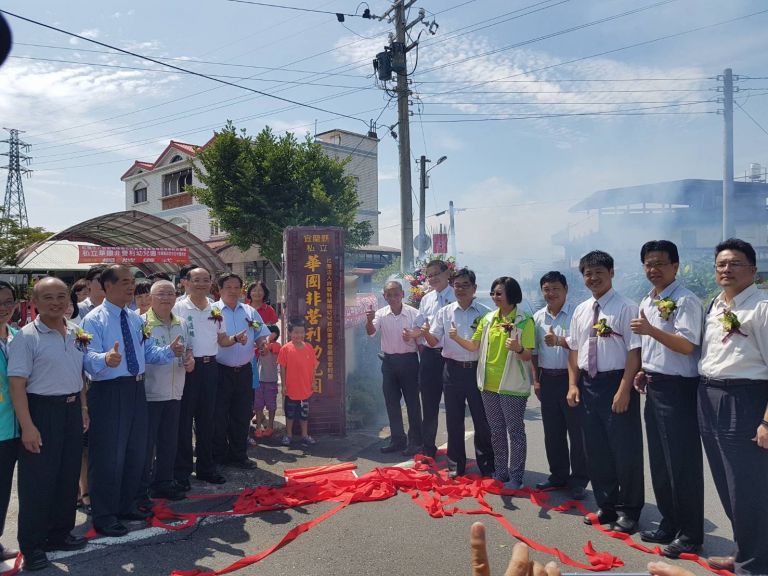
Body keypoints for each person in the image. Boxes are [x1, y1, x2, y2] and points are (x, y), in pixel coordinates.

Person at [82, 265, 184, 538]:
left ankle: (126, 505)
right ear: (108, 286)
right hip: (109, 391)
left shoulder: (136, 319)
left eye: (132, 281)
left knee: (134, 451)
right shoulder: (94, 319)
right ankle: (104, 515)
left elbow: (147, 352)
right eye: (125, 282)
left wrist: (169, 351)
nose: (131, 286)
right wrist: (105, 359)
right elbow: (86, 357)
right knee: (108, 456)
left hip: (137, 389)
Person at [8, 278, 89, 571]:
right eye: (48, 297)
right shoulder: (26, 337)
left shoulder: (76, 332)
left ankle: (60, 533)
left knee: (67, 476)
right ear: (35, 303)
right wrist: (28, 426)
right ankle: (32, 545)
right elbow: (17, 384)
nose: (56, 302)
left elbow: (79, 374)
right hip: (42, 411)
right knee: (38, 482)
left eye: (61, 296)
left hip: (71, 410)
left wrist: (83, 407)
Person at [629, 241, 704, 558]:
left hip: (679, 390)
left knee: (682, 463)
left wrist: (650, 330)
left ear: (675, 266)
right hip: (655, 385)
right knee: (660, 462)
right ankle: (669, 522)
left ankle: (690, 534)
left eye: (660, 263)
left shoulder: (686, 300)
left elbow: (686, 346)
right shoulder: (648, 300)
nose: (653, 269)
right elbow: (655, 347)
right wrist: (645, 370)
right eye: (648, 263)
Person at [698, 238, 768, 575]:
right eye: (721, 264)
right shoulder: (715, 305)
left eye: (735, 263)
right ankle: (744, 550)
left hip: (745, 399)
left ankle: (754, 564)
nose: (726, 269)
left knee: (747, 486)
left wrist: (766, 421)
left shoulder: (762, 308)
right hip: (709, 395)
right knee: (726, 483)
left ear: (753, 270)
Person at [566, 250, 644, 534]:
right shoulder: (581, 310)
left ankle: (630, 510)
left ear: (611, 273)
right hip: (589, 385)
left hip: (616, 383)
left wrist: (624, 389)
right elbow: (574, 349)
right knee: (596, 450)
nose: (593, 278)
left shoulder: (627, 307)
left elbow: (634, 352)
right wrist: (573, 384)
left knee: (625, 451)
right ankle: (606, 505)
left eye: (599, 272)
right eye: (588, 273)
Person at [451, 276, 534, 490]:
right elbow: (474, 346)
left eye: (499, 293)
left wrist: (518, 348)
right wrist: (456, 337)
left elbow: (528, 355)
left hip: (512, 385)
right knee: (496, 431)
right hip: (488, 384)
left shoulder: (524, 320)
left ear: (511, 295)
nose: (495, 297)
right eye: (493, 293)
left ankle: (516, 477)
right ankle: (501, 472)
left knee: (515, 432)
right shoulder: (488, 319)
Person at [422, 268, 493, 477]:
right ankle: (455, 465)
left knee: (481, 420)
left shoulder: (485, 314)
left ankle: (487, 465)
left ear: (474, 288)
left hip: (476, 371)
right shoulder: (445, 312)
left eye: (465, 285)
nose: (460, 289)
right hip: (451, 370)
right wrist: (425, 333)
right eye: (457, 286)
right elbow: (434, 341)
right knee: (454, 420)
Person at [531, 271, 588, 500]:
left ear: (566, 290)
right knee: (552, 432)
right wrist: (536, 380)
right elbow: (534, 352)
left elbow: (582, 347)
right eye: (546, 289)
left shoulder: (577, 315)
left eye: (556, 288)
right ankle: (558, 475)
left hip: (572, 379)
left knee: (577, 432)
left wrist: (559, 341)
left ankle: (579, 480)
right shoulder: (537, 318)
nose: (551, 293)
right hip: (548, 379)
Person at [172, 267, 228, 488]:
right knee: (184, 421)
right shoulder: (178, 307)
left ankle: (206, 468)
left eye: (206, 280)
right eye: (197, 280)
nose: (202, 284)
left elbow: (222, 339)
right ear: (186, 282)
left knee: (207, 420)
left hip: (210, 367)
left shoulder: (215, 308)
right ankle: (183, 472)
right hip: (186, 367)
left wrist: (237, 339)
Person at [140, 280, 194, 503]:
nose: (166, 298)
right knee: (146, 444)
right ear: (150, 297)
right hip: (150, 392)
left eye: (170, 294)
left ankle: (164, 482)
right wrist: (168, 351)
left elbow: (189, 350)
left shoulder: (181, 322)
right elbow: (143, 355)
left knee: (169, 441)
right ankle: (142, 487)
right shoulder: (142, 323)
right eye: (161, 294)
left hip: (175, 391)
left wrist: (190, 361)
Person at [213, 272, 270, 469]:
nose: (233, 291)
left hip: (244, 371)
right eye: (228, 287)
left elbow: (260, 333)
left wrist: (262, 344)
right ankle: (219, 455)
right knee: (219, 415)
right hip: (219, 371)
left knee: (242, 414)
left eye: (236, 287)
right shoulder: (212, 311)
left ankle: (239, 455)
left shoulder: (249, 311)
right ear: (219, 289)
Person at [366, 281, 423, 454]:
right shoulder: (380, 314)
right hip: (389, 362)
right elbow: (371, 332)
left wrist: (413, 336)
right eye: (389, 295)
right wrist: (368, 320)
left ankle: (416, 442)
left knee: (413, 403)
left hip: (409, 361)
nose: (393, 298)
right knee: (391, 402)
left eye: (396, 294)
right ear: (384, 296)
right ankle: (397, 440)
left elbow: (421, 338)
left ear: (402, 294)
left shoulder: (414, 313)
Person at [414, 259, 455, 458]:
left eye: (436, 274)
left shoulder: (457, 296)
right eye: (429, 275)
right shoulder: (426, 299)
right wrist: (412, 334)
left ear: (447, 273)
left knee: (453, 406)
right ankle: (428, 448)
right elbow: (419, 325)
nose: (432, 279)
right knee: (429, 404)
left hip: (451, 356)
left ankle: (455, 451)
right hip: (430, 356)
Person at [277, 318, 319, 446]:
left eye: (301, 332)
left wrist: (313, 382)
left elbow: (313, 367)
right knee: (289, 414)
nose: (299, 335)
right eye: (296, 332)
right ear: (290, 333)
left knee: (304, 415)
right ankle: (288, 435)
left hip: (305, 389)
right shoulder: (285, 349)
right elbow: (282, 368)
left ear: (305, 332)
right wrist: (284, 385)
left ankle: (304, 435)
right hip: (291, 389)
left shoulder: (309, 348)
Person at [0, 281, 18, 562]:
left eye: (7, 302)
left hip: (15, 428)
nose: (3, 308)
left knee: (3, 489)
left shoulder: (18, 337)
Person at [252, 325, 281, 439]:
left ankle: (270, 427)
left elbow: (269, 348)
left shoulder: (276, 346)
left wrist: (267, 339)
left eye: (269, 333)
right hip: (259, 380)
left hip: (271, 381)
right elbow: (260, 349)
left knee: (271, 405)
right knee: (258, 405)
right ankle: (258, 428)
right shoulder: (261, 345)